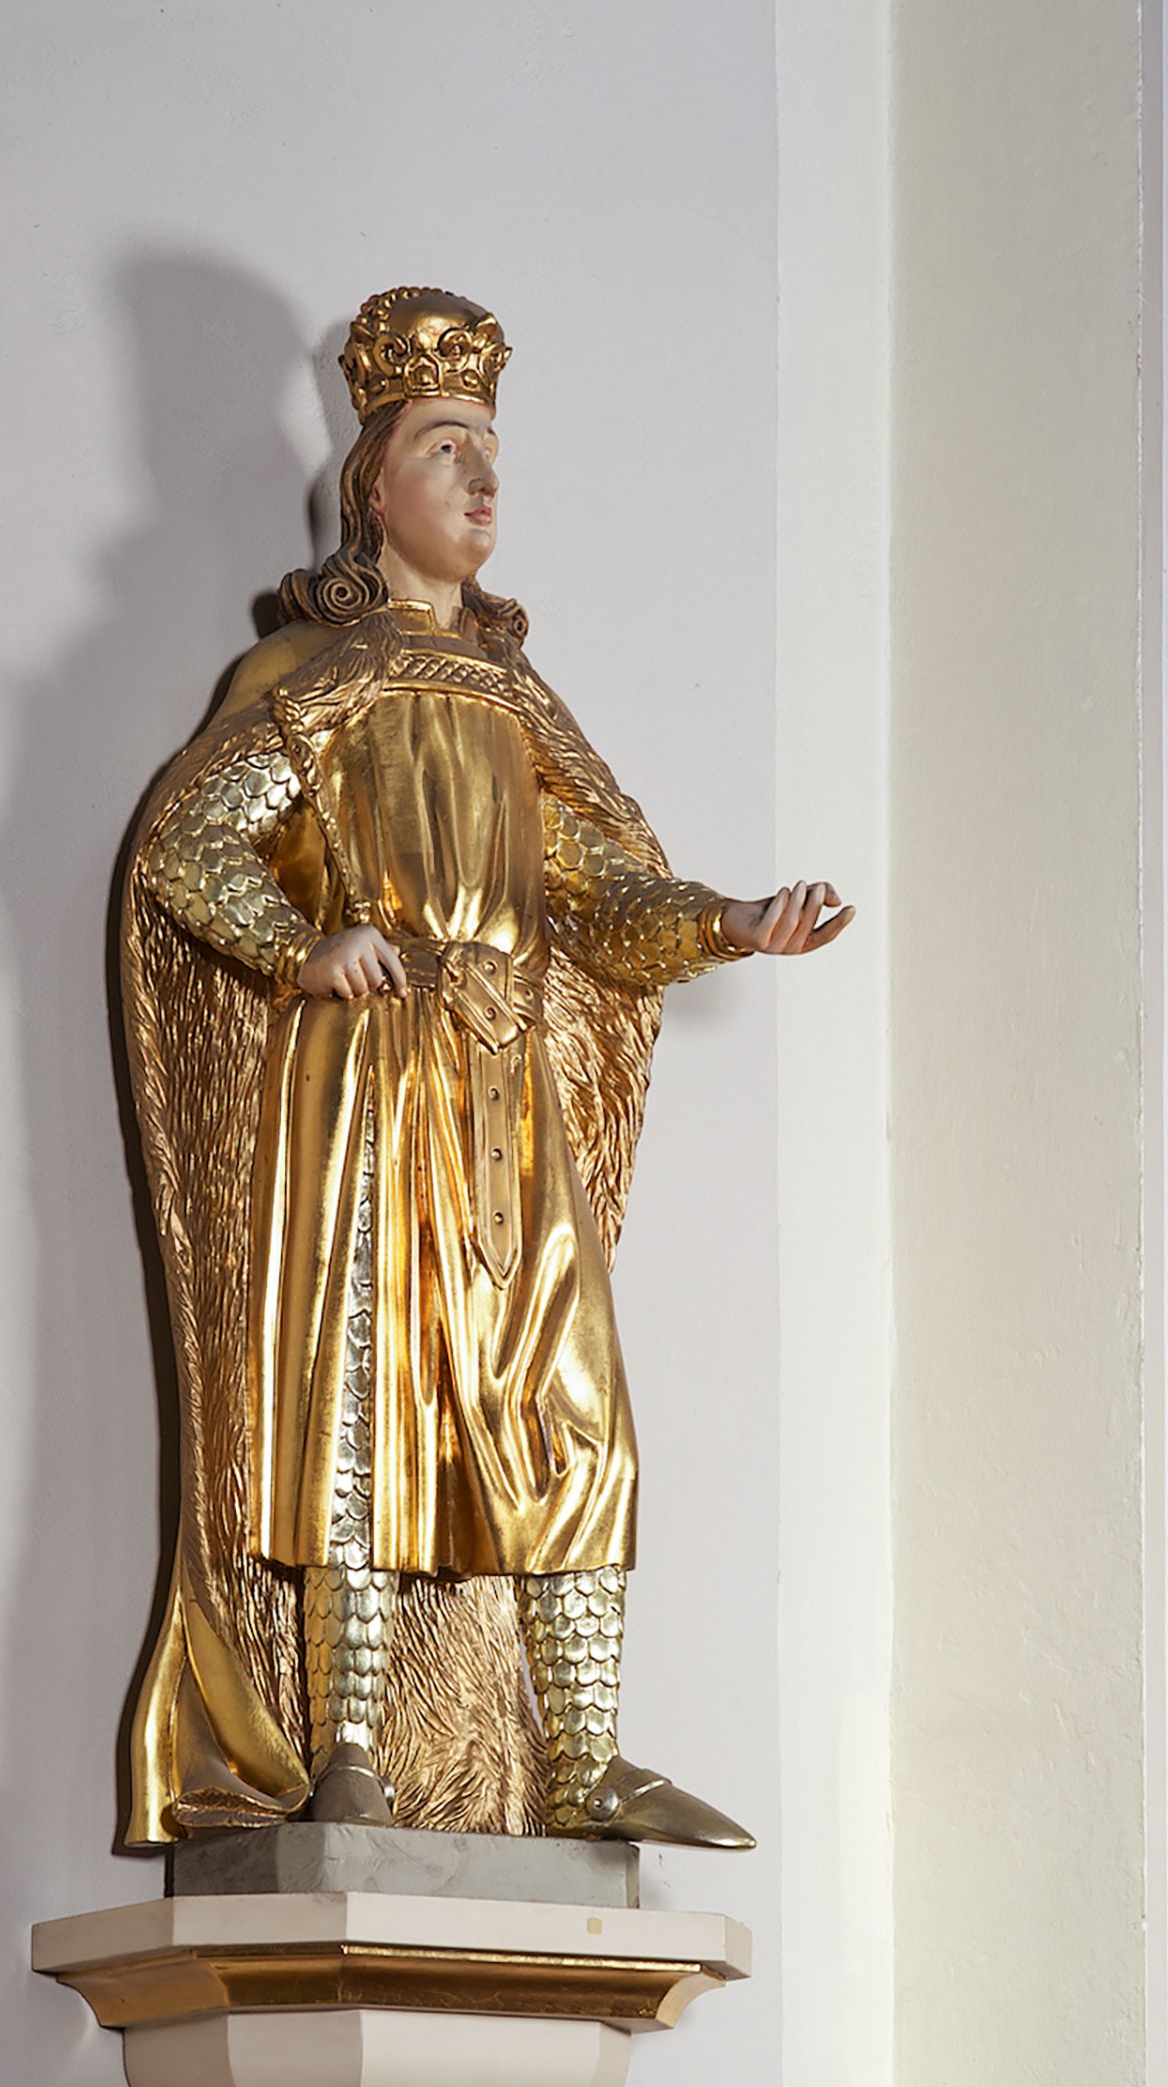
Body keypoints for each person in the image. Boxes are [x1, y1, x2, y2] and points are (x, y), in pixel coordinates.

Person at [119, 286, 849, 1851]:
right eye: (446, 447)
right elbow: (188, 848)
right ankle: (351, 1750)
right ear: (373, 490)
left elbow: (601, 890)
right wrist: (300, 946)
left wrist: (729, 921)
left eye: (492, 451)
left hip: (509, 1096)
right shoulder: (321, 675)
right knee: (364, 1400)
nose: (483, 477)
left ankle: (582, 1758)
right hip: (377, 1083)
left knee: (571, 1406)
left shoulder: (517, 699)